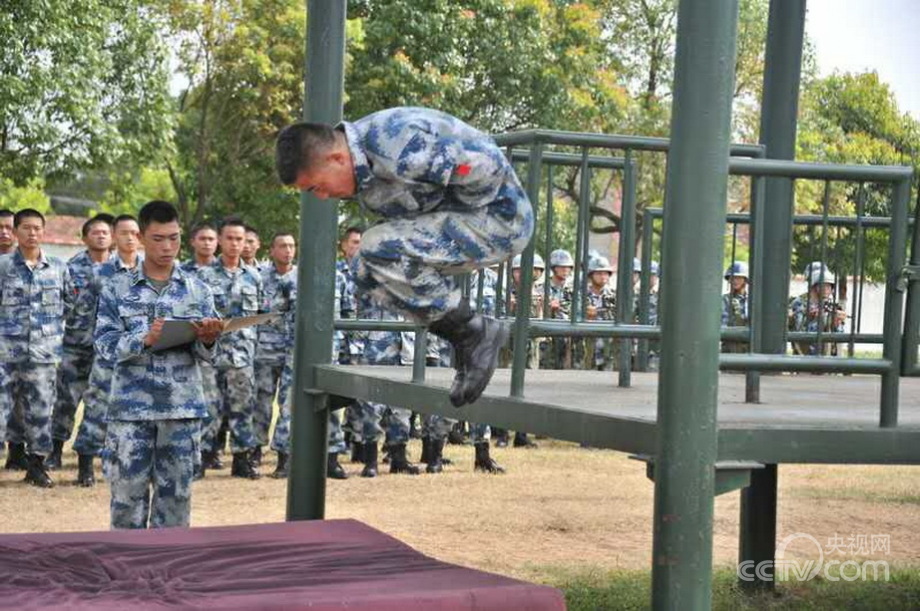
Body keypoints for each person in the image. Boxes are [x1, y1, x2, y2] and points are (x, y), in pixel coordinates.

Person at [276, 107, 534, 407]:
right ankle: (467, 335)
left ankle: (477, 332)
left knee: (376, 246)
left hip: (501, 219)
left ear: (337, 158)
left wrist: (443, 215)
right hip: (463, 221)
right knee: (362, 268)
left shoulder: (399, 141)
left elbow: (486, 165)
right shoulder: (365, 166)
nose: (321, 196)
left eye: (316, 186)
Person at [95, 200, 222, 529]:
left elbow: (210, 356)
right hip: (130, 412)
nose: (168, 247)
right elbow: (105, 346)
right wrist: (142, 340)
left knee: (176, 503)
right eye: (158, 239)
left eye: (174, 238)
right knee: (126, 502)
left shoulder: (198, 290)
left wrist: (209, 339)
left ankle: (170, 573)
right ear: (139, 237)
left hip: (181, 411)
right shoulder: (116, 289)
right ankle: (125, 575)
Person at [0, 209, 73, 487]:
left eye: (37, 229)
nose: (32, 233)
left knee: (41, 410)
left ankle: (37, 466)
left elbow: (70, 305)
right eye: (26, 228)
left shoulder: (58, 267)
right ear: (16, 231)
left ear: (44, 232)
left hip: (43, 355)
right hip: (5, 353)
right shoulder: (3, 266)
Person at [71, 214, 143, 485]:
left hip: (140, 352)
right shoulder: (100, 273)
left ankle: (128, 463)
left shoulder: (152, 270)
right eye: (123, 232)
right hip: (109, 352)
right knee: (98, 407)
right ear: (114, 236)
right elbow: (87, 314)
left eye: (135, 233)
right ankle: (85, 463)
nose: (130, 238)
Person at [47, 214, 114, 482]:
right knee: (65, 401)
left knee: (98, 406)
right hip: (75, 345)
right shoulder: (70, 268)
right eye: (94, 232)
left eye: (105, 232)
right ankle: (55, 450)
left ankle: (87, 461)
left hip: (106, 349)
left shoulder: (122, 270)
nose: (100, 236)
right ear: (84, 238)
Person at [198, 217, 263, 478]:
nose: (236, 244)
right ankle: (202, 457)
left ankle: (241, 460)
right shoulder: (203, 276)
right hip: (210, 354)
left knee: (242, 407)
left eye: (241, 239)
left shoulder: (255, 277)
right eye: (230, 238)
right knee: (207, 408)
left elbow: (260, 312)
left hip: (242, 355)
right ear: (221, 241)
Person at [253, 233, 297, 463]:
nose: (288, 250)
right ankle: (255, 450)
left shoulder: (303, 277)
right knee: (261, 400)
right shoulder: (259, 278)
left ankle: (284, 454)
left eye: (291, 246)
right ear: (272, 250)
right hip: (265, 349)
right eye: (282, 246)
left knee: (289, 403)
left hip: (293, 351)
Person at [789, 266, 846, 357]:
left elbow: (840, 336)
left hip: (827, 359)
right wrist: (810, 318)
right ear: (815, 285)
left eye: (830, 286)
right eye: (825, 285)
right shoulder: (799, 303)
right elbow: (798, 332)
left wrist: (837, 323)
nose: (829, 289)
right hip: (804, 358)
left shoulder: (830, 305)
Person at [721, 261, 750, 354]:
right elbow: (722, 323)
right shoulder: (724, 300)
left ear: (745, 279)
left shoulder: (752, 300)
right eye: (732, 278)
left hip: (750, 347)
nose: (734, 281)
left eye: (738, 278)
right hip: (730, 346)